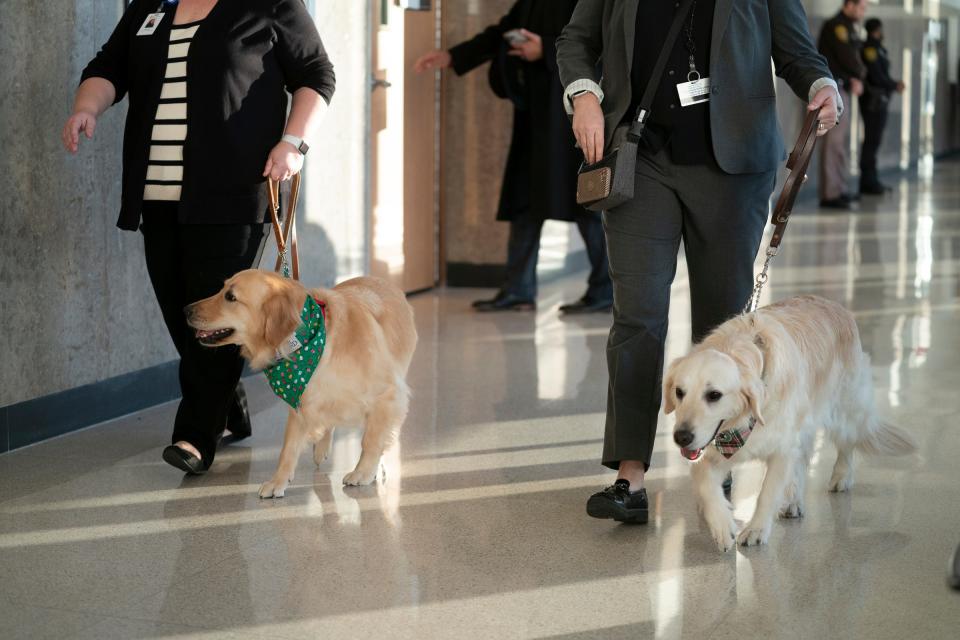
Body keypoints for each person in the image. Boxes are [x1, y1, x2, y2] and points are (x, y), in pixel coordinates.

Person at [556, 0, 841, 523]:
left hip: (732, 169)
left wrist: (821, 86)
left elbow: (798, 53)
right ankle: (630, 476)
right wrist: (584, 94)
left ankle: (722, 467)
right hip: (639, 160)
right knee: (637, 316)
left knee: (726, 327)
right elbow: (575, 40)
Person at [62, 0, 335, 474]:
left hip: (230, 193)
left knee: (218, 313)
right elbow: (108, 67)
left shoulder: (269, 5)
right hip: (157, 196)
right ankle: (227, 408)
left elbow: (315, 73)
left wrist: (293, 142)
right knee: (187, 316)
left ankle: (194, 437)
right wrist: (86, 108)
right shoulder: (150, 6)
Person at [414, 0, 613, 314]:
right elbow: (502, 32)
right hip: (535, 117)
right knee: (525, 203)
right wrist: (454, 56)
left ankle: (607, 290)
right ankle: (518, 289)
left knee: (586, 203)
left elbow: (603, 42)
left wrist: (544, 49)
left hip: (571, 119)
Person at [817, 0, 867, 210]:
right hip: (833, 90)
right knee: (833, 144)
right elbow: (845, 58)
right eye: (861, 7)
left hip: (842, 87)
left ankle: (839, 189)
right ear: (849, 5)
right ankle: (830, 194)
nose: (863, 12)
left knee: (839, 145)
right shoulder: (836, 26)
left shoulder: (849, 27)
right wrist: (855, 76)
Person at [859, 18, 905, 195]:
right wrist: (894, 85)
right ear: (876, 30)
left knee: (874, 140)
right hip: (873, 101)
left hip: (880, 100)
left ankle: (872, 179)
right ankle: (868, 181)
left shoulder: (877, 48)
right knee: (871, 140)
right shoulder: (870, 49)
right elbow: (876, 76)